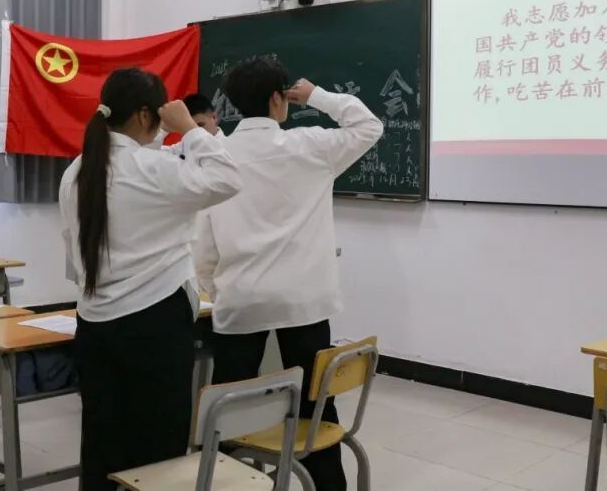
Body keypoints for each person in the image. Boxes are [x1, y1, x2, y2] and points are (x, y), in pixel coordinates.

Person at [194, 56, 383, 490]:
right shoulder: (310, 146)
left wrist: (213, 289)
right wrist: (317, 95)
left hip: (240, 300)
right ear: (279, 99)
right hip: (305, 300)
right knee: (317, 408)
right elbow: (368, 126)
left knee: (227, 408)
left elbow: (203, 243)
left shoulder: (217, 156)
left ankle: (224, 481)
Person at [59, 68, 243, 491]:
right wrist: (191, 130)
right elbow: (228, 177)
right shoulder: (153, 169)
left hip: (95, 327)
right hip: (154, 324)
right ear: (146, 115)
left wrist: (161, 133)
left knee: (102, 445)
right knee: (158, 451)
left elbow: (73, 248)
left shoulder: (78, 171)